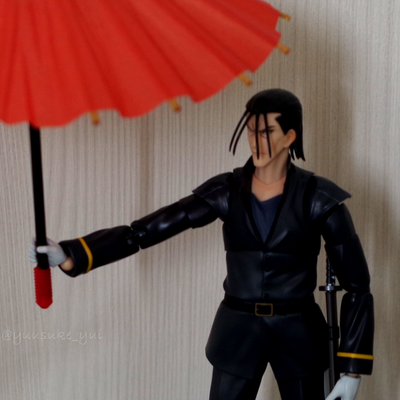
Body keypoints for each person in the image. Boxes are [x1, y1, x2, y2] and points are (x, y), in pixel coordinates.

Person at [30, 89, 374, 400]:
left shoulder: (319, 198)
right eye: (251, 131)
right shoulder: (227, 190)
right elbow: (144, 232)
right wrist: (72, 254)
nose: (256, 141)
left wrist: (352, 369)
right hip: (236, 331)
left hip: (298, 333)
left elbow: (358, 287)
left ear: (290, 136)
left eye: (266, 132)